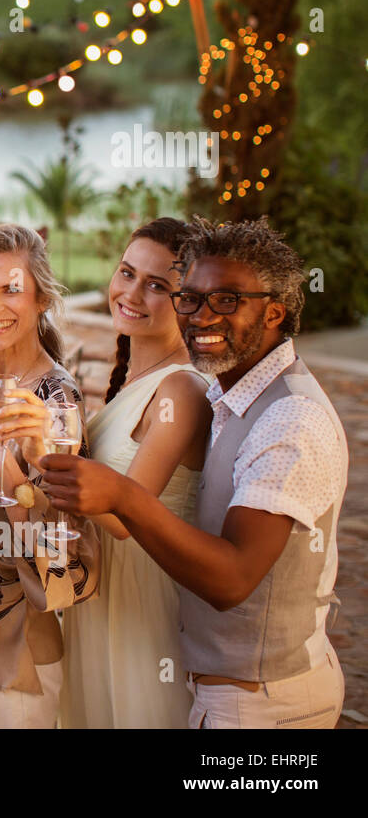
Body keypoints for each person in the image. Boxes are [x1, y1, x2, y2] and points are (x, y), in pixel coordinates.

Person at [43, 217, 347, 729]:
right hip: (220, 689)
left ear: (275, 312)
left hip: (265, 702)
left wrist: (120, 494)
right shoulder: (228, 396)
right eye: (193, 297)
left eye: (227, 300)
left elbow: (232, 580)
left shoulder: (290, 419)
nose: (203, 315)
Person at [0, 222, 99, 728]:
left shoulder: (56, 399)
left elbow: (56, 548)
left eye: (11, 290)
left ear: (41, 299)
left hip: (22, 641)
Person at [59, 218, 209, 729]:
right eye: (127, 273)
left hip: (143, 605)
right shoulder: (131, 381)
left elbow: (126, 516)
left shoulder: (182, 391)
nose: (132, 292)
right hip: (100, 598)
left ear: (187, 300)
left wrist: (38, 444)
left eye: (158, 286)